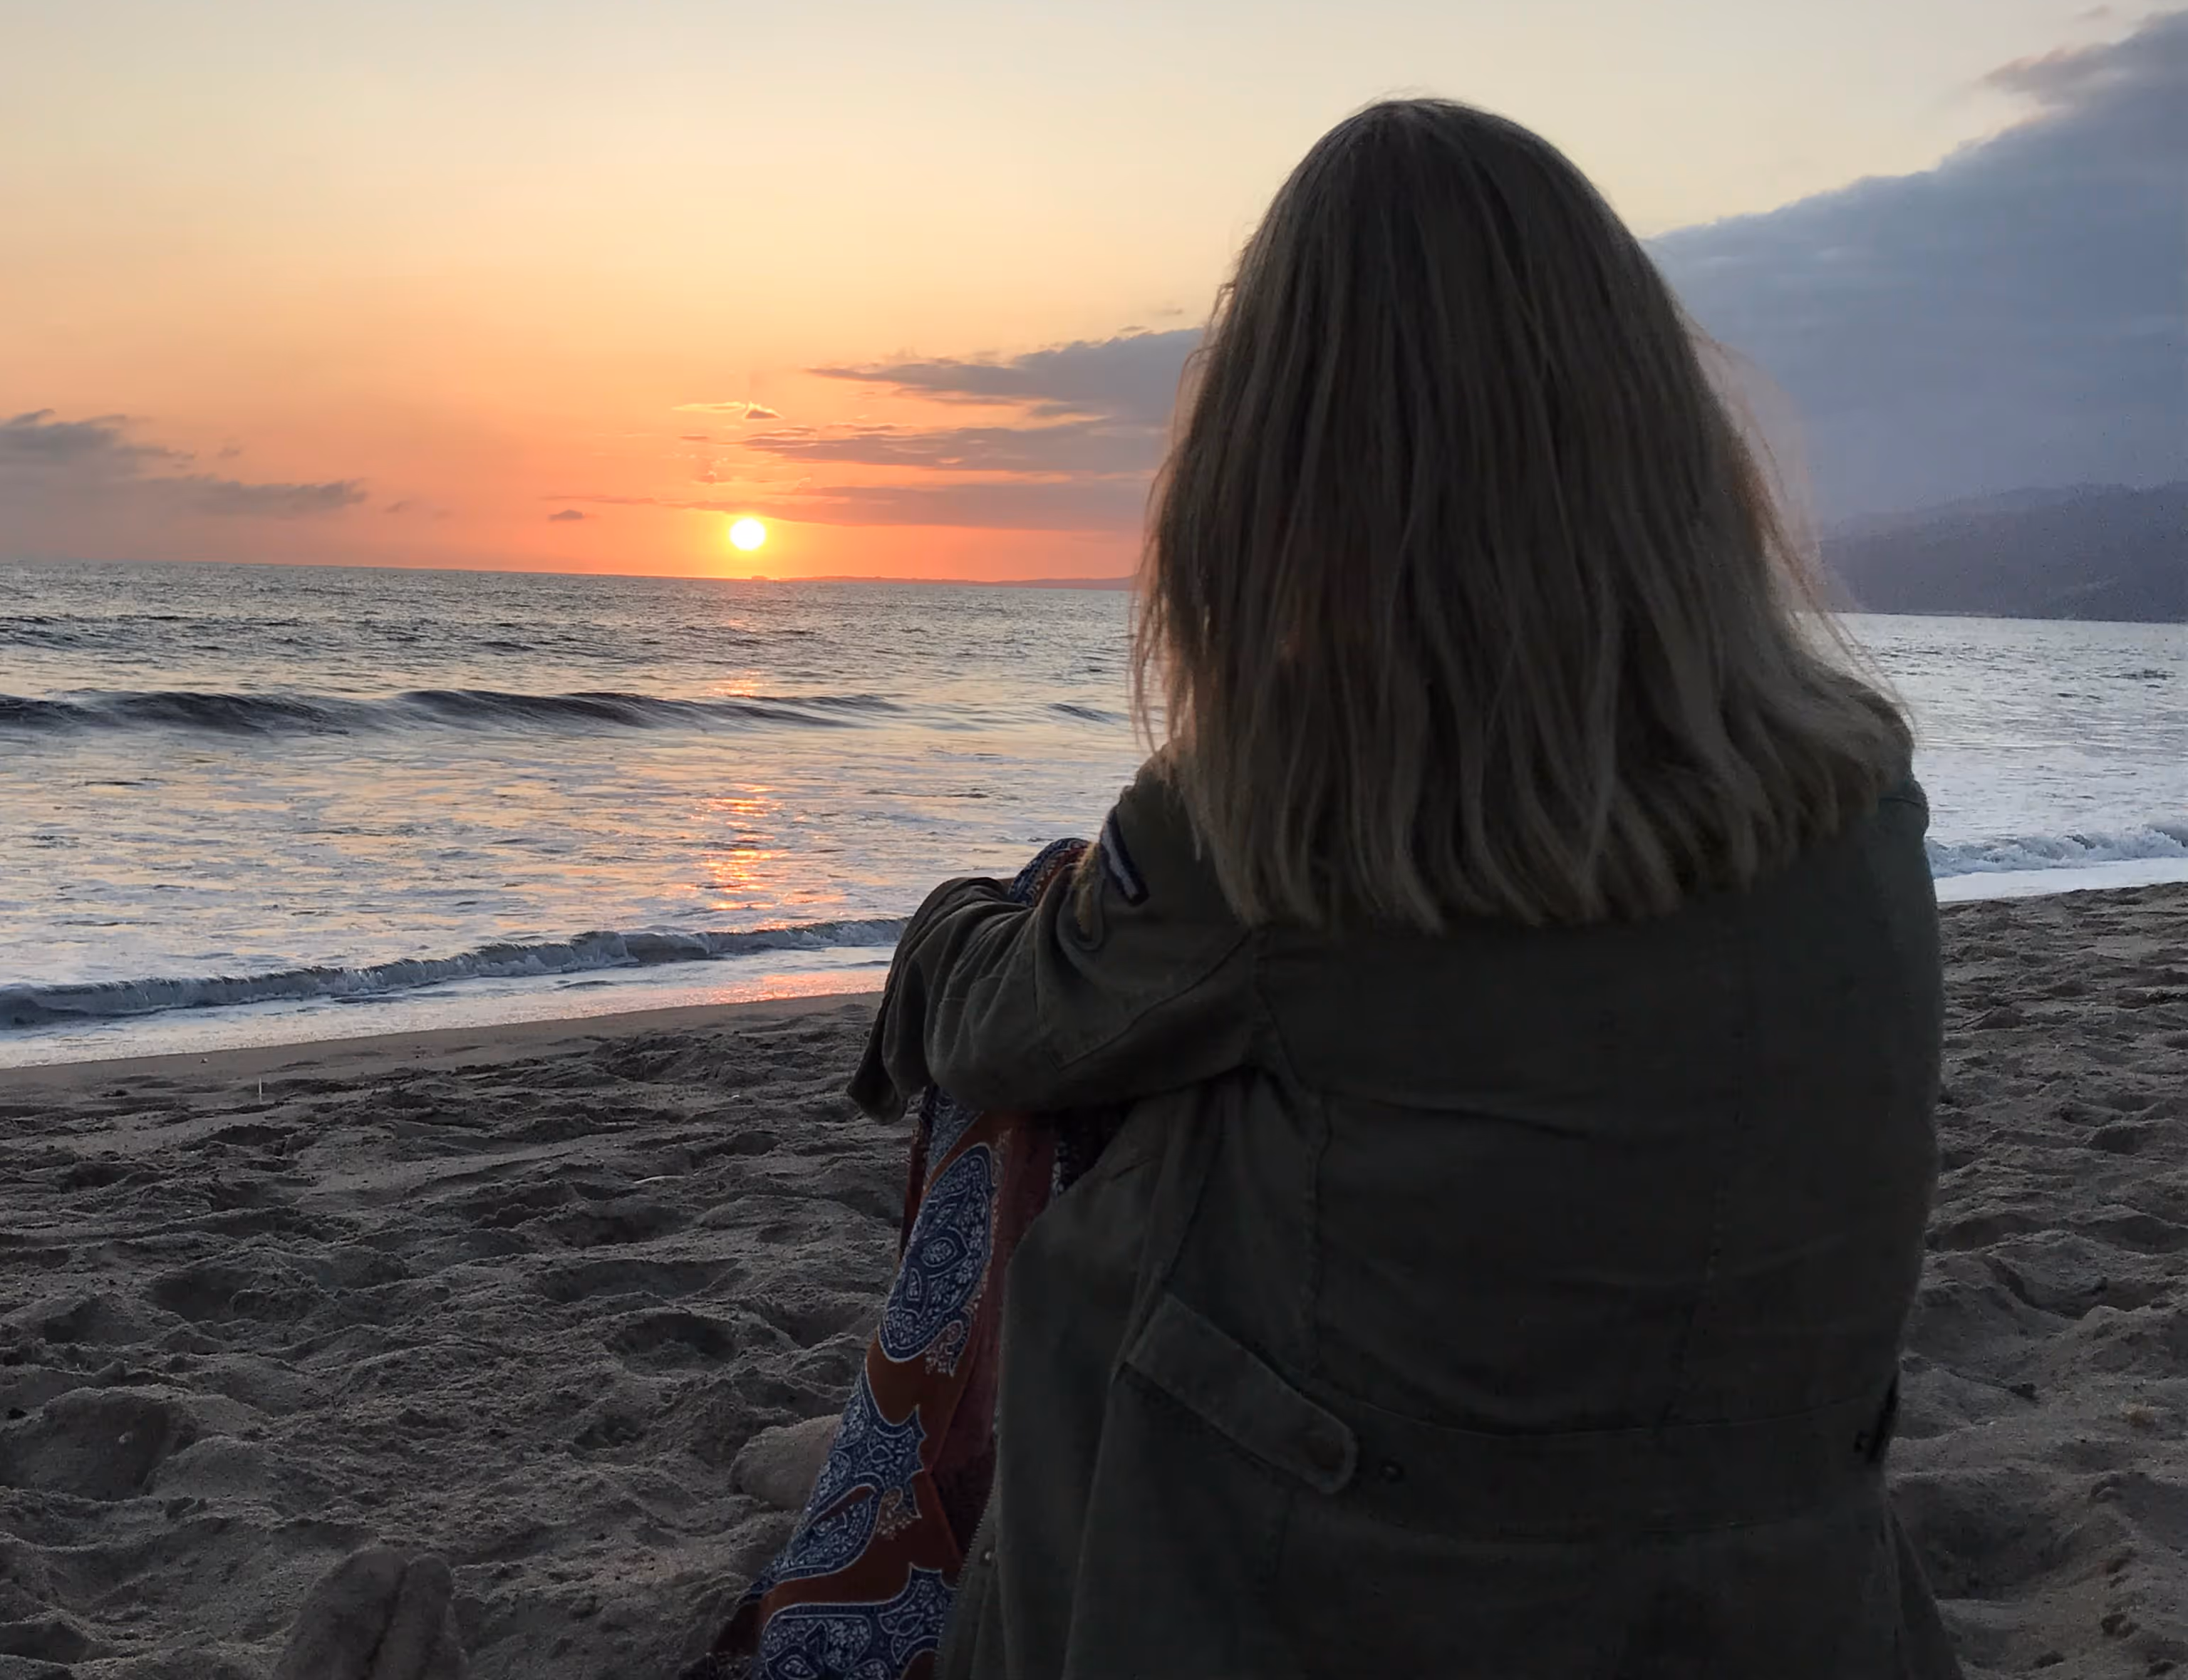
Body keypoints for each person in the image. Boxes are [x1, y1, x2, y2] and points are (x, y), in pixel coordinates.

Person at [717, 99, 1956, 1677]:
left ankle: (864, 1603)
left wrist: (944, 931)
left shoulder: (1304, 818)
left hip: (1345, 1605)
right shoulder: (1856, 789)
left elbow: (1002, 1035)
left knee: (1042, 1007)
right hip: (1781, 1599)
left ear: (1282, 458)